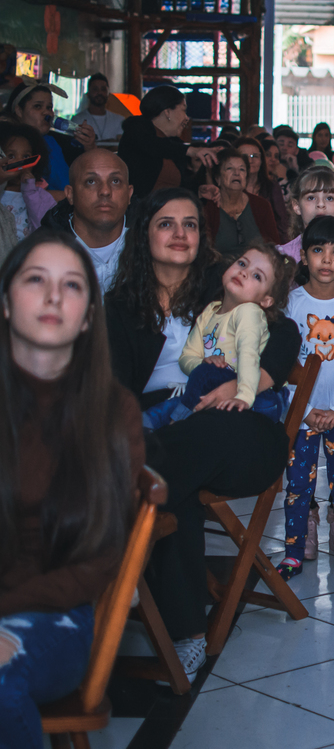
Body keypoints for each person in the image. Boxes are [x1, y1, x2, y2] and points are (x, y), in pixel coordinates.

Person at [105, 188, 297, 678]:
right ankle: (188, 631)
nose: (179, 233)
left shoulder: (226, 282)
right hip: (162, 427)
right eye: (166, 223)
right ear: (143, 232)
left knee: (167, 457)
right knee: (166, 483)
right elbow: (113, 390)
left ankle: (103, 540)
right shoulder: (121, 306)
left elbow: (288, 333)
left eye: (190, 223)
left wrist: (241, 381)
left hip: (242, 426)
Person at [0, 231, 145, 748]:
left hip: (55, 614)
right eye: (35, 279)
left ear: (88, 316)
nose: (53, 296)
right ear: (6, 302)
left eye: (72, 284)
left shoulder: (111, 412)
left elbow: (101, 558)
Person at [278, 216, 334, 582]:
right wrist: (305, 409)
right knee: (298, 487)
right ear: (303, 256)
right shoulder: (290, 304)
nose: (327, 260)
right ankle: (293, 551)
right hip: (299, 417)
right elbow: (282, 364)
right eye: (318, 250)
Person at [141, 243, 293, 428]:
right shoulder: (210, 312)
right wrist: (204, 363)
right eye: (242, 264)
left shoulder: (249, 313)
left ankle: (177, 426)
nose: (244, 272)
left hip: (260, 398)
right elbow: (187, 356)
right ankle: (146, 428)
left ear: (266, 300)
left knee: (193, 393)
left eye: (257, 276)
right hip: (218, 386)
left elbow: (249, 356)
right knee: (177, 401)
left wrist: (244, 396)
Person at [39, 149, 132, 296]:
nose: (105, 191)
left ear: (129, 194)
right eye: (91, 181)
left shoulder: (152, 244)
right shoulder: (42, 251)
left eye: (115, 181)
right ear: (70, 194)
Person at [280, 166, 334, 305]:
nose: (320, 204)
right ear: (297, 206)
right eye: (311, 198)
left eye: (329, 198)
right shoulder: (284, 254)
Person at [118, 85, 217, 196]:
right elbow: (153, 145)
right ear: (168, 112)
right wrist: (191, 150)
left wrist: (199, 191)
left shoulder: (174, 143)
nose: (187, 118)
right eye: (183, 110)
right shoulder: (137, 129)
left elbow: (179, 185)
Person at [4, 81, 96, 198]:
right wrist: (73, 198)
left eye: (49, 107)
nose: (47, 112)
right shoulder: (11, 145)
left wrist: (90, 147)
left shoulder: (53, 141)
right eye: (38, 106)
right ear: (19, 111)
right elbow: (22, 191)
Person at [201, 149, 280, 257]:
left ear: (246, 178)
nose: (237, 173)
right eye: (230, 168)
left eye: (242, 169)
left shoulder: (261, 205)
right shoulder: (209, 207)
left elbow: (275, 246)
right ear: (218, 178)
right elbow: (203, 251)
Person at [0, 121, 55, 239]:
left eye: (26, 157)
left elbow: (44, 228)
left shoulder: (40, 196)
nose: (20, 163)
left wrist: (30, 193)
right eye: (11, 156)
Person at [234, 137, 290, 240]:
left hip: (267, 245)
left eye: (254, 156)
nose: (250, 160)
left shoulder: (272, 186)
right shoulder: (230, 188)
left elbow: (282, 223)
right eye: (244, 156)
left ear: (261, 160)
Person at [72, 74, 123, 142]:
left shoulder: (119, 120)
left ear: (108, 93)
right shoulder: (77, 120)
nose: (99, 93)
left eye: (103, 89)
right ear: (88, 93)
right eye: (95, 89)